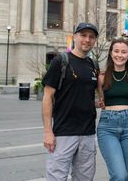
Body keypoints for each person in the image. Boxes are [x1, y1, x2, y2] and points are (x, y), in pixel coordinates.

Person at [42, 22, 99, 181]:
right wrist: (48, 131)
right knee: (56, 177)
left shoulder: (92, 65)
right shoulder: (61, 61)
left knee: (84, 178)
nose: (87, 40)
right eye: (83, 35)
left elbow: (83, 95)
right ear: (74, 37)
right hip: (64, 132)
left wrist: (96, 103)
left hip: (87, 133)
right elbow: (48, 98)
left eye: (91, 37)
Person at [97, 37, 128, 181]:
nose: (119, 55)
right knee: (119, 175)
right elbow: (100, 101)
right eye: (116, 51)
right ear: (110, 53)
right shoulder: (102, 77)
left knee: (127, 176)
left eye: (124, 52)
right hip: (107, 126)